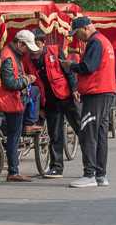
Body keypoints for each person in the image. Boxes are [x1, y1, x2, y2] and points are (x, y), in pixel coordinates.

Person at [67, 16, 116, 188]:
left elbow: (88, 67)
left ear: (86, 28)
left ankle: (89, 174)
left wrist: (71, 66)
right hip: (106, 92)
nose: (78, 37)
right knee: (101, 135)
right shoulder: (105, 41)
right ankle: (101, 175)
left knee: (87, 132)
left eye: (78, 33)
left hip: (96, 92)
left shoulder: (95, 42)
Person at [26, 28, 82, 178]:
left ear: (43, 43)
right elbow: (32, 88)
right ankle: (56, 168)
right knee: (55, 136)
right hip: (49, 102)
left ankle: (92, 165)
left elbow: (68, 71)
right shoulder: (27, 60)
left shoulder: (55, 51)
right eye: (32, 45)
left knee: (81, 130)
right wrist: (39, 108)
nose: (35, 49)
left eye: (37, 44)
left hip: (66, 97)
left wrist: (74, 89)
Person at [0, 29, 40, 182]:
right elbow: (9, 82)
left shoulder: (12, 53)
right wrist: (26, 80)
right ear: (19, 43)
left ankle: (30, 123)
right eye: (26, 47)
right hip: (10, 101)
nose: (27, 51)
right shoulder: (9, 56)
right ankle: (13, 170)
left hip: (15, 99)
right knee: (14, 137)